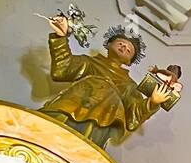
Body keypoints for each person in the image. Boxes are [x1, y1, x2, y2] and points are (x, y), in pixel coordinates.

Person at [40, 15, 174, 147]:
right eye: (121, 43)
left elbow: (133, 118)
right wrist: (60, 38)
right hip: (68, 106)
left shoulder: (129, 85)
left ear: (129, 62)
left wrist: (153, 102)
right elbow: (62, 69)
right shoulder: (90, 63)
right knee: (44, 133)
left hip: (101, 121)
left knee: (83, 148)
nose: (123, 47)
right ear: (109, 45)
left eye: (128, 50)